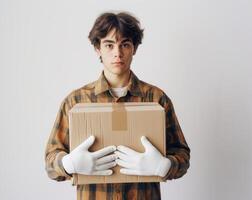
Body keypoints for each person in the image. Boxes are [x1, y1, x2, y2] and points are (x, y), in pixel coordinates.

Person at [45, 11, 190, 200]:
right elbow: (50, 161)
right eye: (109, 45)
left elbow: (182, 155)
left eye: (125, 45)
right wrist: (67, 164)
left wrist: (164, 166)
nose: (117, 53)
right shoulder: (76, 102)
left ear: (134, 48)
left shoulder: (156, 99)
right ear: (98, 49)